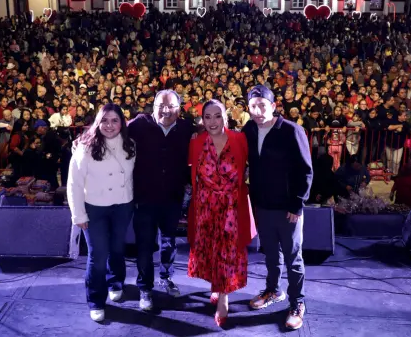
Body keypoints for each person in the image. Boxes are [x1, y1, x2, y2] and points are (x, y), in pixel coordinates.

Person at [242, 85, 313, 330]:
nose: (258, 110)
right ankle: (273, 290)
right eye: (253, 106)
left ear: (273, 106)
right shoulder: (249, 129)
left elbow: (306, 171)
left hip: (288, 208)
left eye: (263, 105)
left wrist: (297, 204)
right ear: (248, 108)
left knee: (294, 258)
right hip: (262, 205)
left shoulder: (291, 130)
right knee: (271, 255)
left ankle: (297, 302)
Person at [187, 99, 256, 326]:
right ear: (202, 120)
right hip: (205, 207)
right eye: (208, 117)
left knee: (227, 252)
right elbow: (193, 177)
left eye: (217, 116)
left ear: (225, 117)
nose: (213, 121)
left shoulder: (240, 139)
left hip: (231, 208)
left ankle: (223, 298)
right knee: (211, 251)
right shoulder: (196, 143)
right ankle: (217, 286)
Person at [67, 104, 136, 322]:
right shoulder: (85, 147)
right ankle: (96, 300)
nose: (109, 125)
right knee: (97, 256)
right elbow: (73, 183)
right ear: (98, 122)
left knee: (117, 249)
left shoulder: (131, 145)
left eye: (115, 120)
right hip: (94, 208)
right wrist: (78, 214)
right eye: (105, 120)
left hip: (123, 206)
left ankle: (116, 282)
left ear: (122, 123)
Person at [127, 89, 194, 311]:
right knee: (145, 245)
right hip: (144, 198)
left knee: (169, 242)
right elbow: (111, 130)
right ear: (153, 106)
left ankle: (166, 277)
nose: (166, 110)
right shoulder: (138, 124)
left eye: (171, 106)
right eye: (161, 106)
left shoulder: (186, 128)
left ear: (179, 109)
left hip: (172, 197)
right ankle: (145, 288)